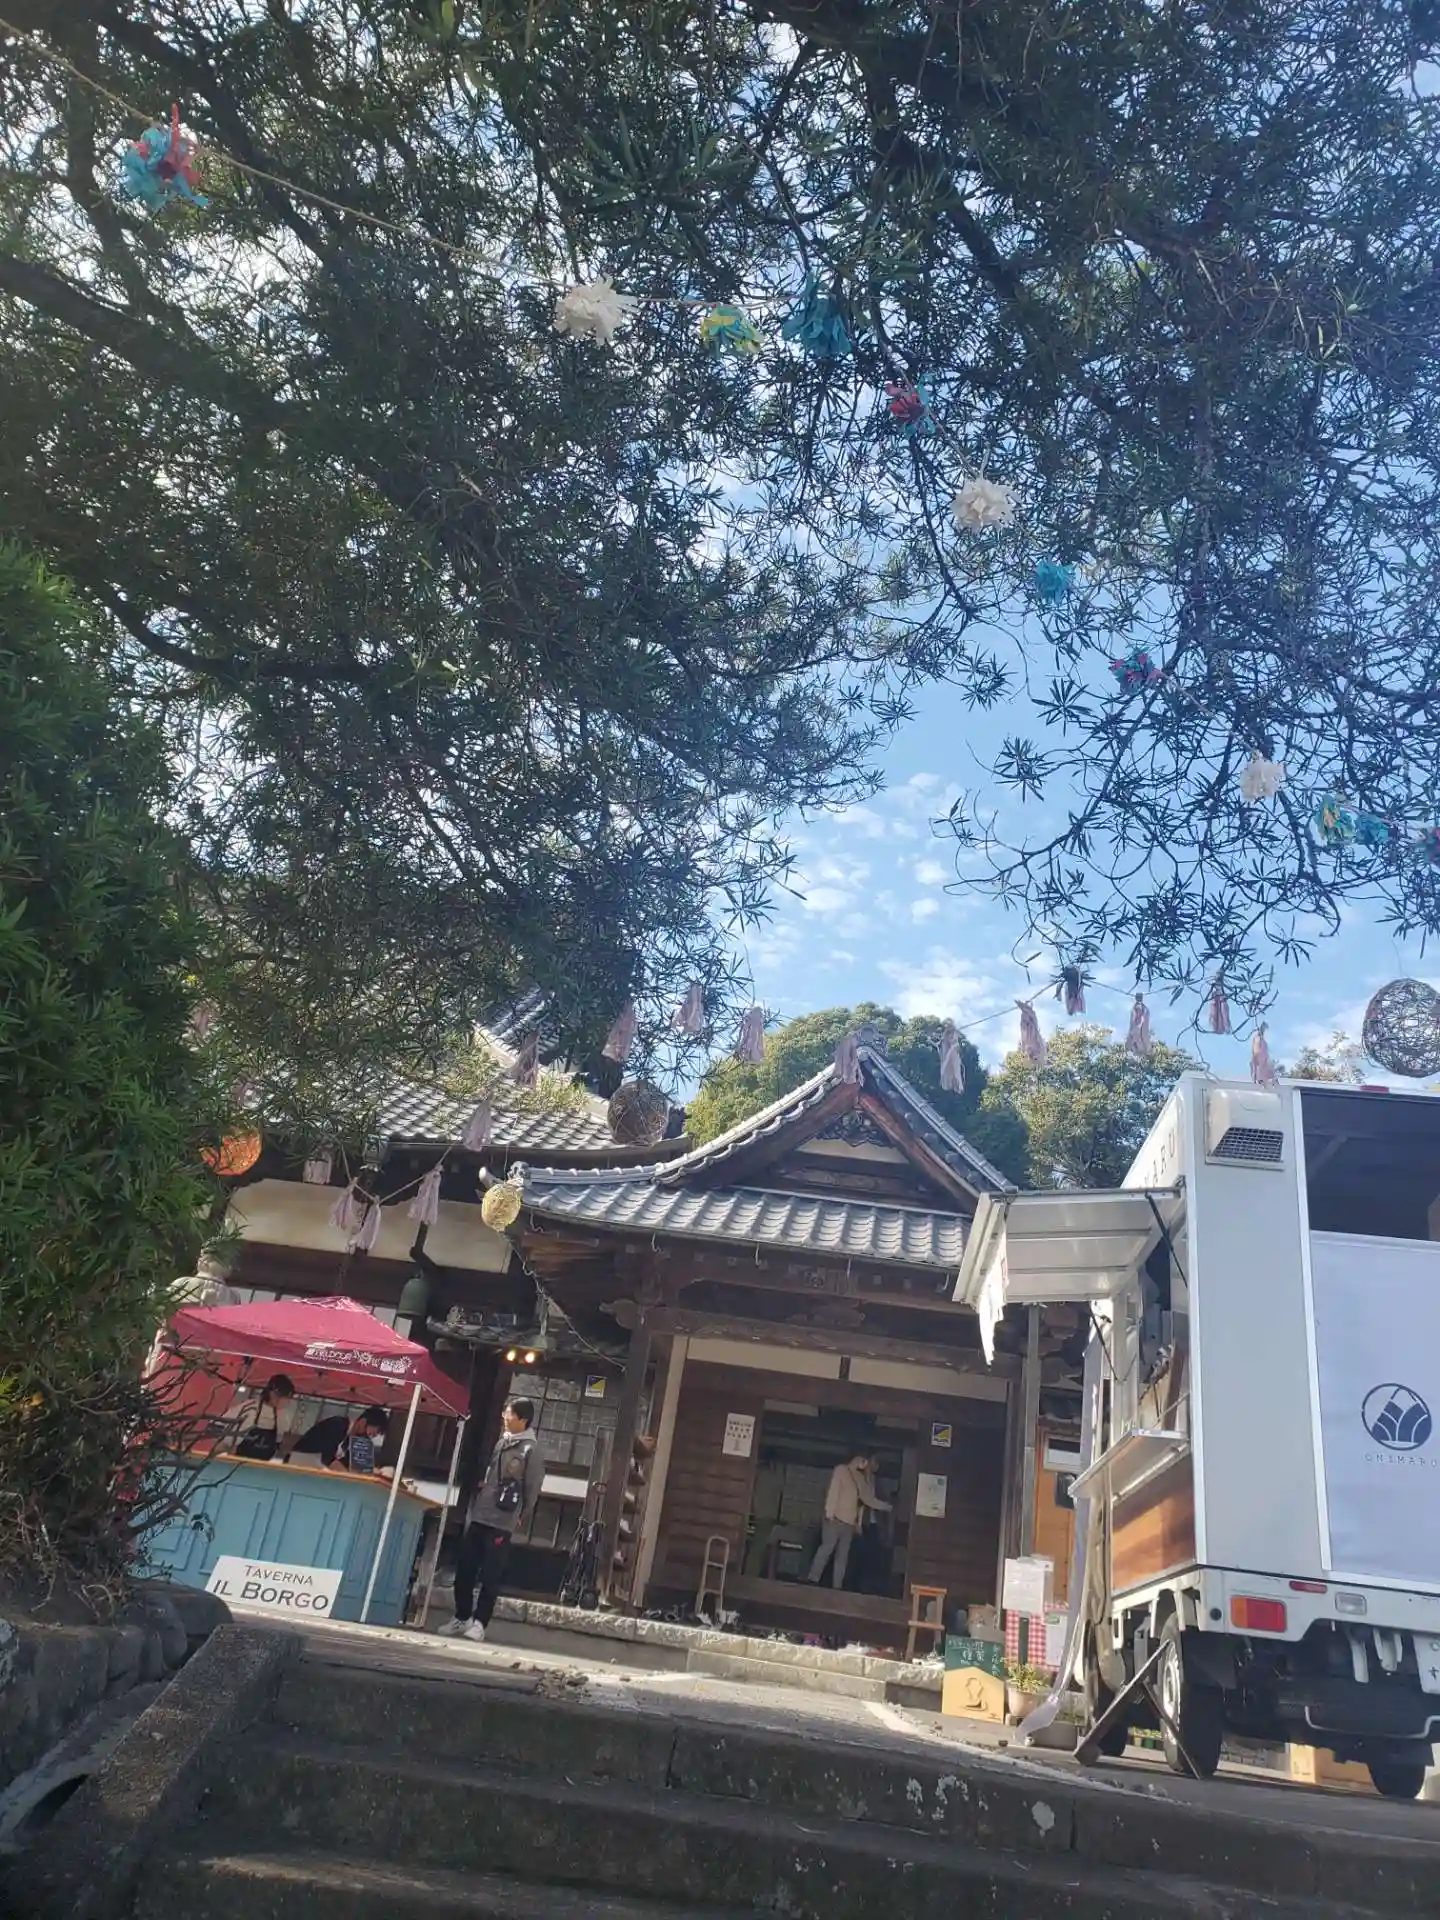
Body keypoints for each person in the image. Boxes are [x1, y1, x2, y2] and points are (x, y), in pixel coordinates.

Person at [440, 1398, 545, 1643]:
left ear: (523, 1419)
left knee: (490, 1574)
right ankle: (462, 1616)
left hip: (503, 1518)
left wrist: (522, 1513)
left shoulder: (531, 1449)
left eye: (509, 1414)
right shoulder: (502, 1441)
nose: (504, 1417)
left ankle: (480, 1623)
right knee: (465, 1567)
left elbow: (533, 1487)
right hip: (481, 1513)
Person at [807, 1452, 891, 1590]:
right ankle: (813, 1578)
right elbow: (834, 1491)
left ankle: (837, 1586)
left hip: (848, 1524)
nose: (864, 1463)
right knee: (827, 1548)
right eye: (862, 1460)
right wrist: (829, 1513)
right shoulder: (841, 1470)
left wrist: (885, 1506)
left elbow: (868, 1499)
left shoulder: (859, 1478)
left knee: (842, 1556)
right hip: (835, 1519)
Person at [289, 1404, 390, 1471]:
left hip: (314, 1468)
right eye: (370, 1433)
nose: (368, 1438)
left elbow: (351, 1464)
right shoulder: (337, 1425)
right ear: (363, 1422)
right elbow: (328, 1458)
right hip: (298, 1462)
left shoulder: (350, 1441)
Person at [226, 1375, 296, 1460]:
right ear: (273, 1394)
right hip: (238, 1460)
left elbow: (280, 1440)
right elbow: (225, 1430)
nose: (288, 1401)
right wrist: (230, 1447)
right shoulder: (249, 1406)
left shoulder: (281, 1415)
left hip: (262, 1463)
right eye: (287, 1397)